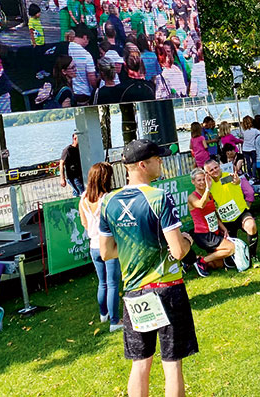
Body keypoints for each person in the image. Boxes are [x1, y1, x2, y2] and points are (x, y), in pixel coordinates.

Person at [98, 139, 197, 397]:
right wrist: (187, 240)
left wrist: (137, 245)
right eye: (157, 158)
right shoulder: (159, 197)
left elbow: (106, 252)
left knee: (140, 364)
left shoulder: (108, 201)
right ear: (142, 165)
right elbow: (177, 251)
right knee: (172, 364)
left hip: (134, 292)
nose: (161, 161)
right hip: (166, 289)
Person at [79, 162, 122, 332]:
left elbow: (84, 222)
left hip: (93, 245)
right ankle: (115, 321)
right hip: (108, 245)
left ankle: (103, 314)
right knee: (112, 283)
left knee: (102, 282)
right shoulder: (107, 198)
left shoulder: (83, 198)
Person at [204, 159, 260, 266]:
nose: (215, 171)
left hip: (240, 214)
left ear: (219, 165)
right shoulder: (209, 185)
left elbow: (236, 180)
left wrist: (237, 180)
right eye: (211, 170)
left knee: (251, 226)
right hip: (226, 221)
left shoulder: (227, 177)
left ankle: (253, 256)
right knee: (230, 253)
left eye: (216, 167)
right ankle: (238, 256)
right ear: (207, 173)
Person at [187, 169, 236, 277]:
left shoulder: (209, 195)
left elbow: (213, 214)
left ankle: (194, 260)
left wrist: (223, 228)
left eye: (203, 179)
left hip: (214, 231)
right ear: (193, 182)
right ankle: (202, 262)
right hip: (203, 234)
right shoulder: (192, 197)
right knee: (230, 248)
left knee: (219, 264)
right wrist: (207, 189)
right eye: (198, 180)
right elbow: (201, 205)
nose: (202, 182)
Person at [67, 25, 97, 105]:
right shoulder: (86, 55)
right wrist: (97, 88)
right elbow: (91, 78)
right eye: (88, 40)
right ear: (85, 37)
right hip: (83, 94)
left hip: (69, 91)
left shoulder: (67, 47)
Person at [60, 132, 85, 196]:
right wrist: (62, 178)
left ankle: (75, 203)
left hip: (80, 175)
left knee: (76, 192)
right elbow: (61, 163)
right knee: (83, 192)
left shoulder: (80, 149)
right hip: (73, 177)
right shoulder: (68, 150)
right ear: (75, 138)